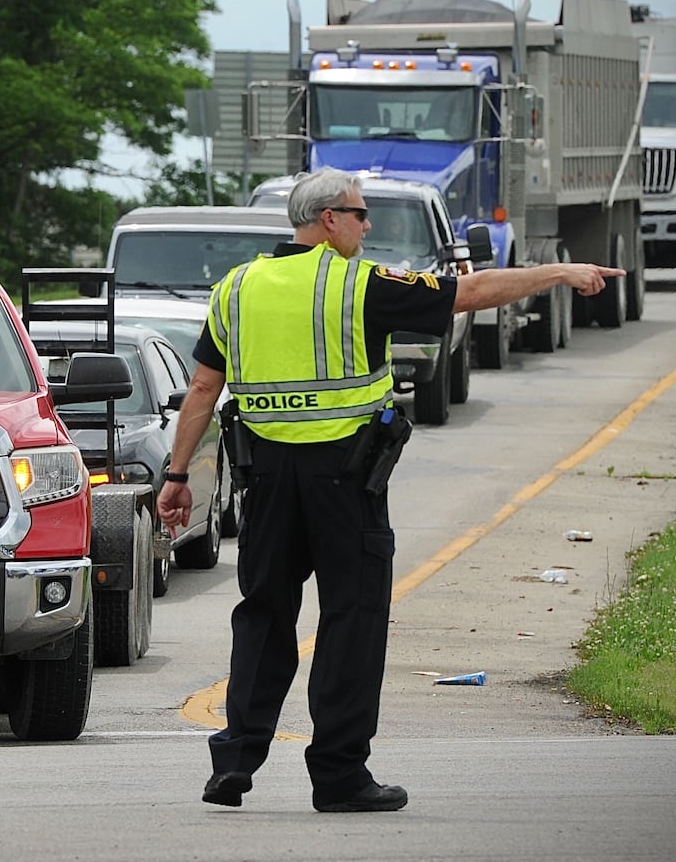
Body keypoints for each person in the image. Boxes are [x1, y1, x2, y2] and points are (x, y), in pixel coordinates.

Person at [156, 167, 622, 813]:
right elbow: (471, 291)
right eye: (360, 213)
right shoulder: (356, 282)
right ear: (328, 219)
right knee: (351, 620)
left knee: (262, 617)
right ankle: (339, 777)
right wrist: (557, 274)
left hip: (263, 481)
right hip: (344, 482)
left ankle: (234, 761)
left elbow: (204, 389)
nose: (366, 225)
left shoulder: (237, 287)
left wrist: (177, 476)